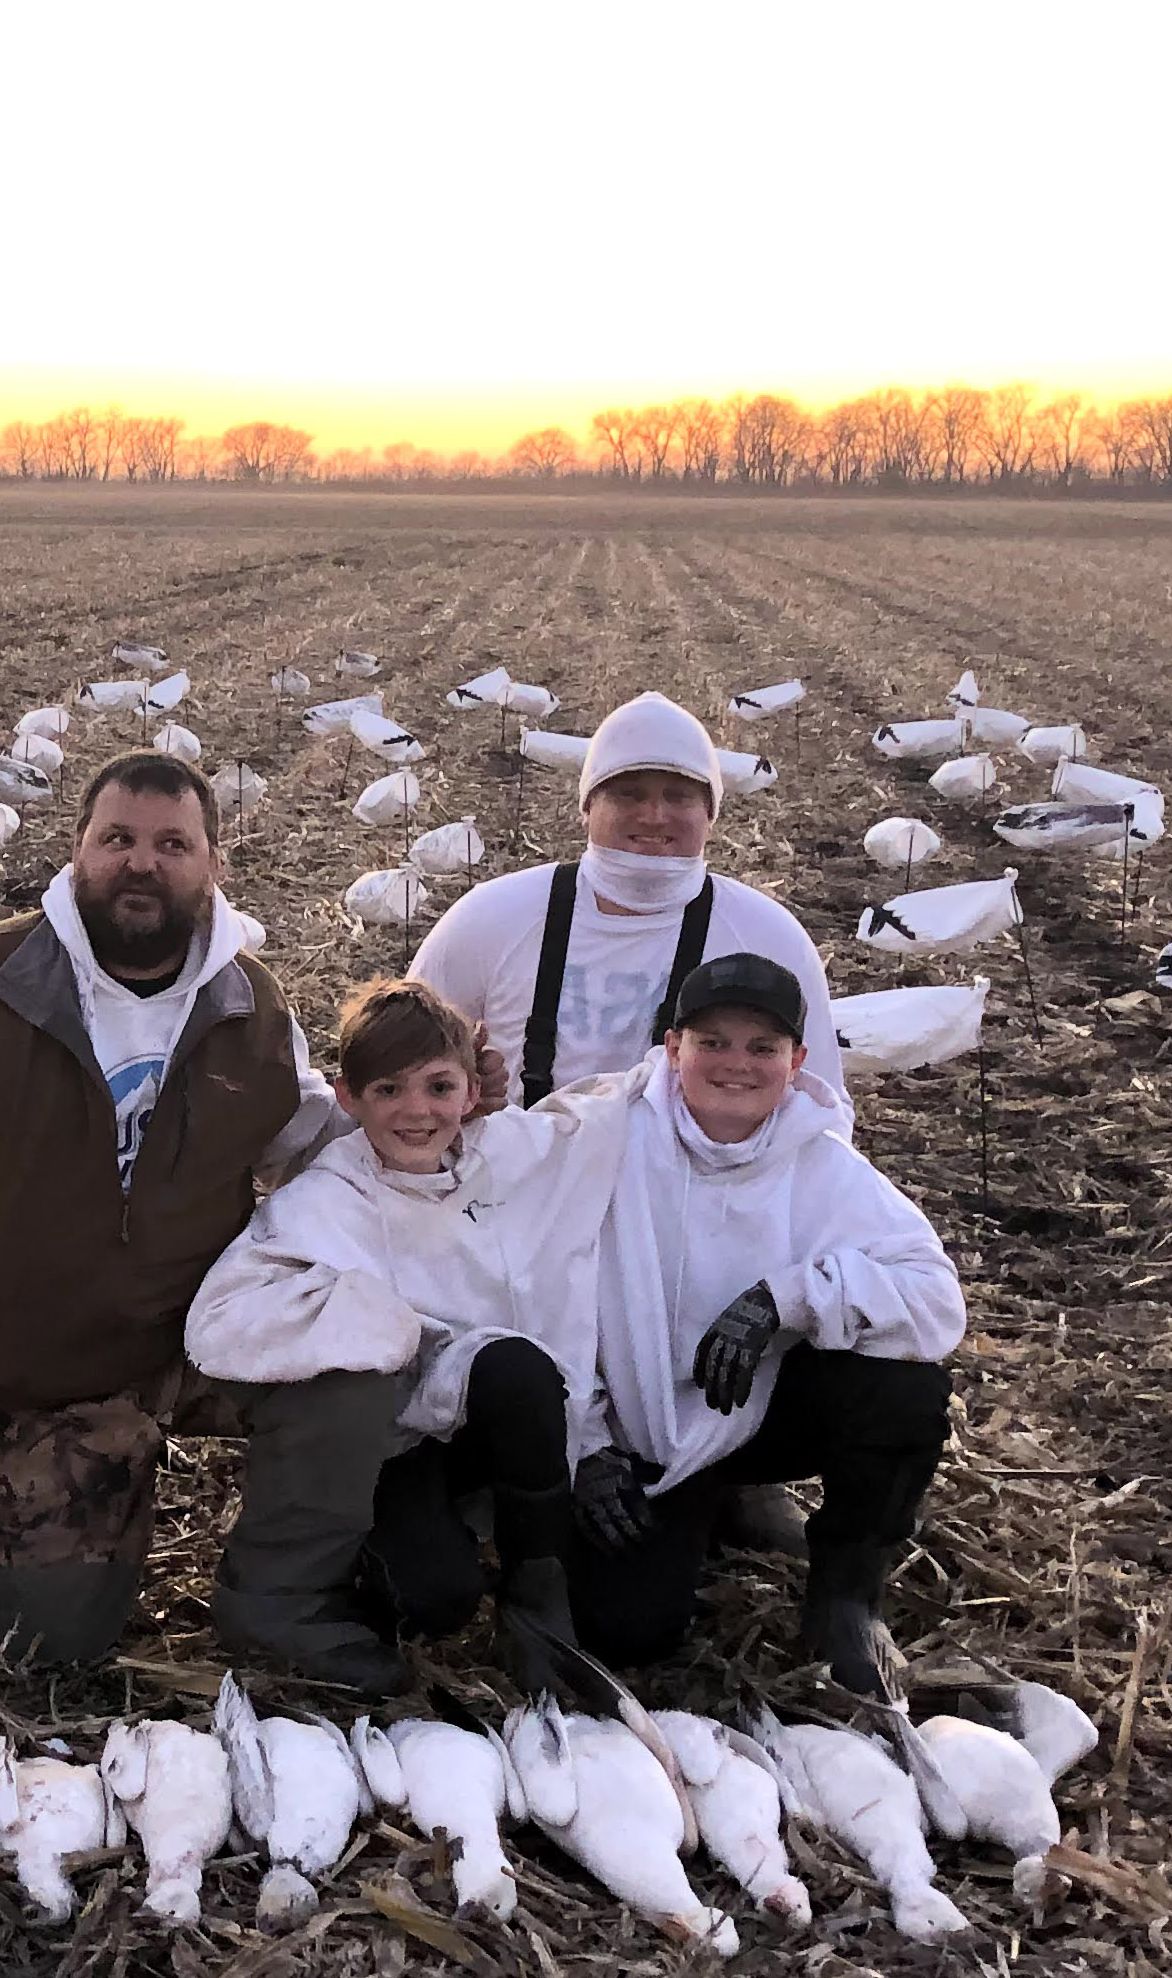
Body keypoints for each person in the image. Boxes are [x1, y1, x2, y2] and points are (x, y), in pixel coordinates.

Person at [0, 752, 397, 1683]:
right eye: (119, 840)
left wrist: (425, 1118)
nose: (143, 864)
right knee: (42, 1649)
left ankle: (276, 1594)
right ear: (77, 849)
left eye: (173, 844)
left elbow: (310, 1145)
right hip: (45, 1359)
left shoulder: (248, 1003)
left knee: (355, 1375)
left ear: (214, 861)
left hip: (199, 1337)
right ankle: (3, 1468)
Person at [549, 953, 962, 1691]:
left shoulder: (823, 1166)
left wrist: (788, 1298)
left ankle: (845, 1594)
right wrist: (583, 1442)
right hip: (628, 1431)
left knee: (905, 1392)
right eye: (713, 1042)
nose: (736, 1064)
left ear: (797, 1061)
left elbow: (935, 1303)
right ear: (673, 1047)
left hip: (755, 1410)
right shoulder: (595, 1136)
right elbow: (530, 1286)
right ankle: (696, 1505)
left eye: (762, 1048)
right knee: (627, 1633)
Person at [182, 977, 602, 1680]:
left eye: (439, 1088)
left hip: (483, 1418)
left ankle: (536, 1599)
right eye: (388, 1091)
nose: (417, 1111)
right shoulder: (327, 1198)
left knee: (521, 1370)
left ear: (473, 1092)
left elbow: (610, 1120)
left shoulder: (505, 1159)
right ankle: (354, 1568)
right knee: (431, 1601)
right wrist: (373, 1322)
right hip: (392, 1441)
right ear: (348, 1099)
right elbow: (221, 1321)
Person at [410, 690, 839, 1103]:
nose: (653, 816)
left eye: (679, 795)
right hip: (521, 1175)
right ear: (586, 808)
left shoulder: (770, 939)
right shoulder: (490, 917)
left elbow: (821, 1112)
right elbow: (394, 1060)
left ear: (710, 814)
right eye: (628, 793)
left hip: (697, 1178)